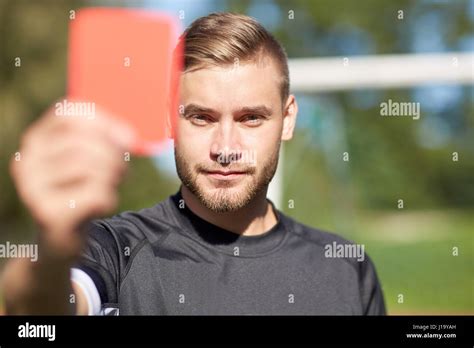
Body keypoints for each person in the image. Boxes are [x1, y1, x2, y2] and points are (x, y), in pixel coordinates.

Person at [2, 12, 386, 315]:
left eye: (251, 118)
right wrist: (52, 246)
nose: (225, 147)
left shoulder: (346, 270)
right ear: (170, 119)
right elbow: (39, 313)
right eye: (200, 117)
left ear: (287, 120)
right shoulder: (113, 250)